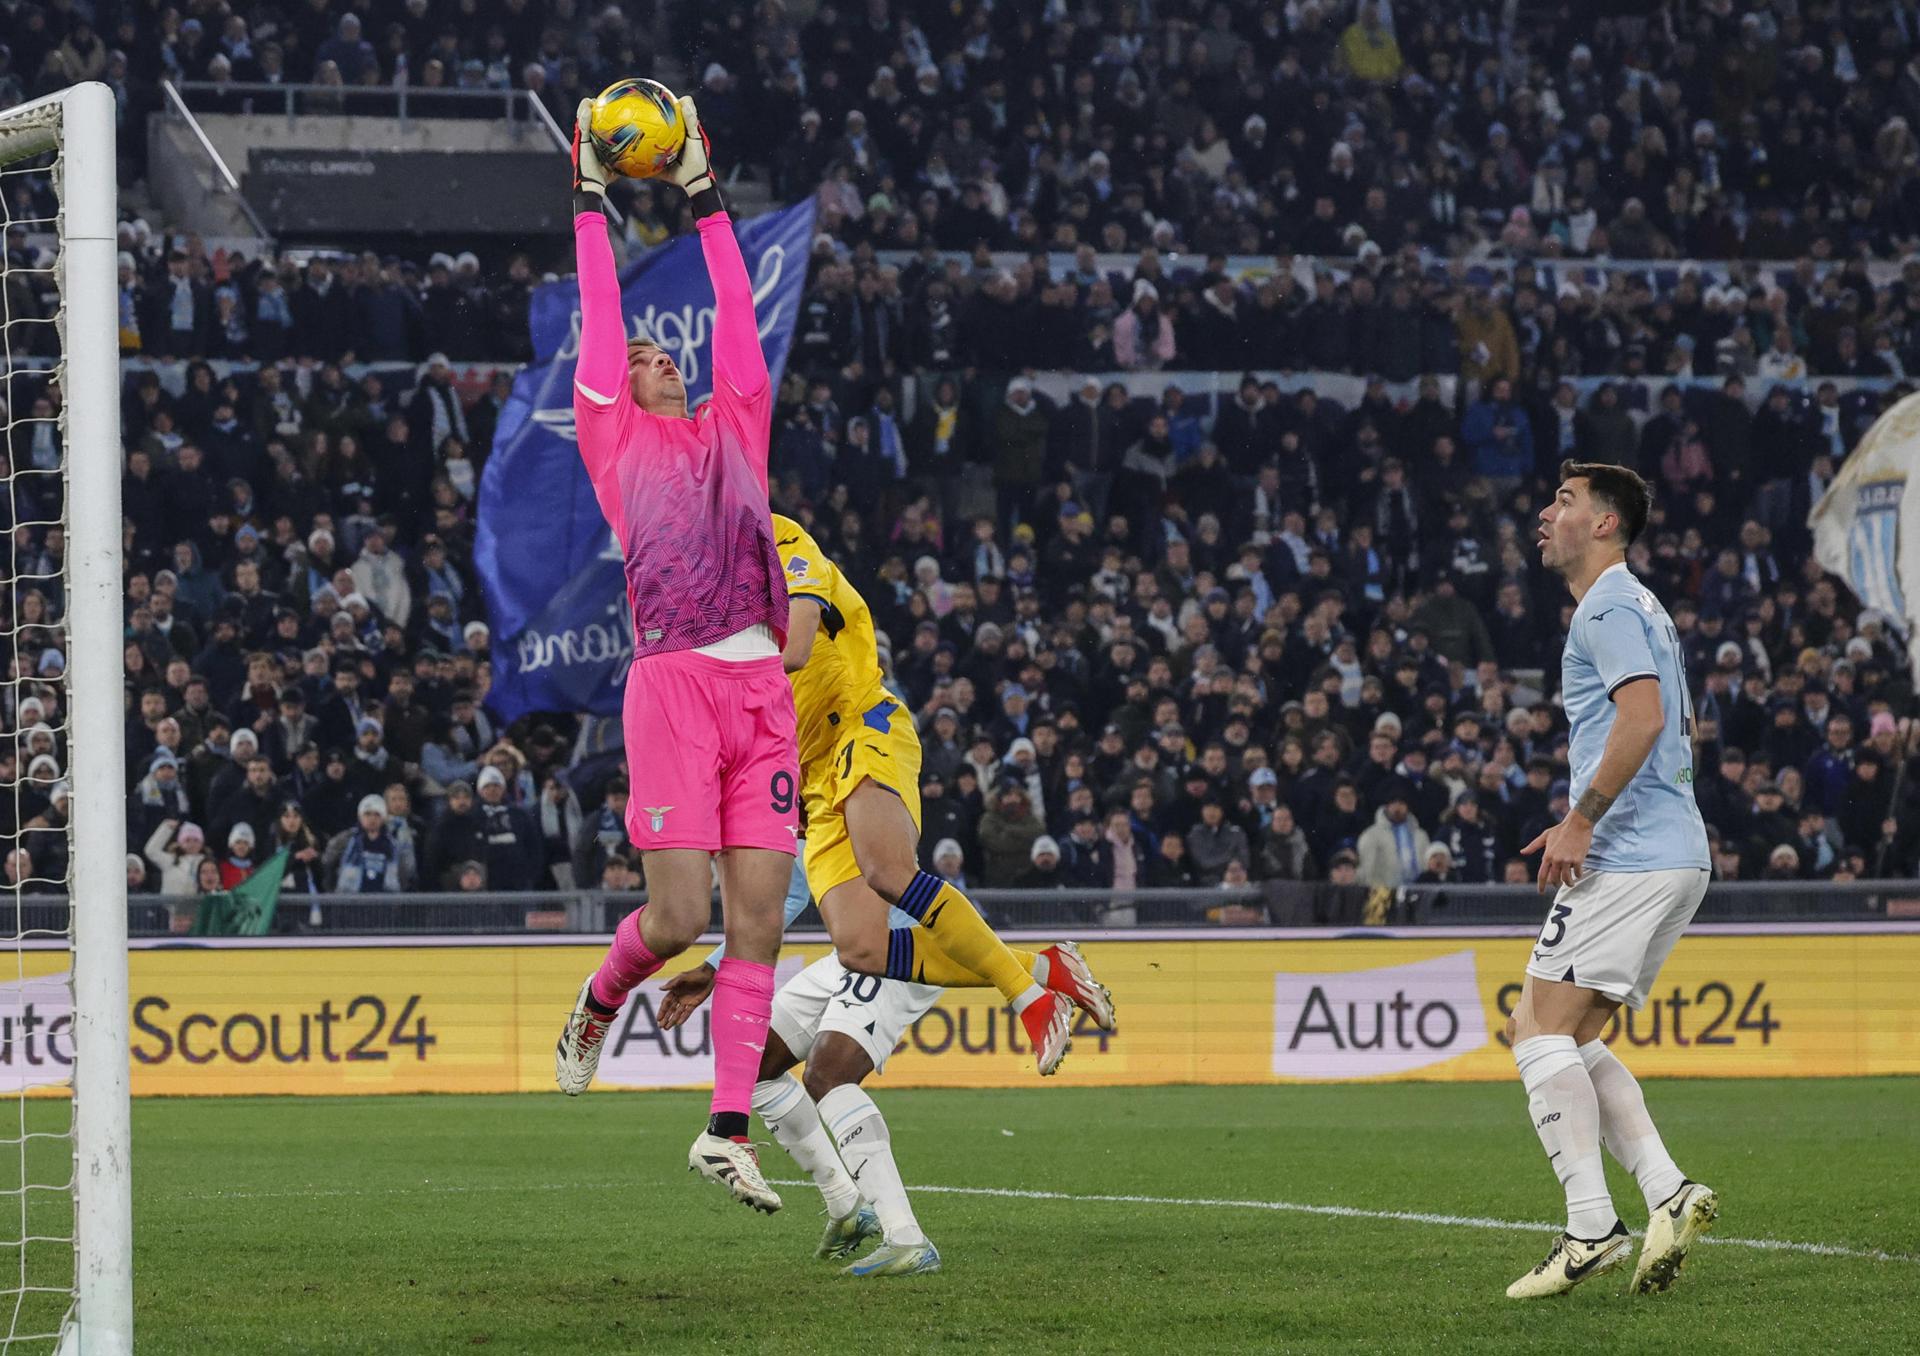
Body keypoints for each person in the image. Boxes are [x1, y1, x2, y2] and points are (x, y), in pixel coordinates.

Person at [552, 98, 803, 1214]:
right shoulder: (611, 430)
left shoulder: (736, 419)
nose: (652, 353)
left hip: (760, 687)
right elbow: (602, 308)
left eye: (664, 349)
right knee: (678, 922)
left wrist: (706, 198)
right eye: (641, 351)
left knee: (760, 919)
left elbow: (736, 303)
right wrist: (589, 202)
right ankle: (601, 1001)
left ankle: (727, 1129)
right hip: (673, 682)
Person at [766, 512, 1104, 1076]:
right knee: (863, 950)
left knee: (888, 873)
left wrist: (716, 685)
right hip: (813, 777)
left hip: (858, 723)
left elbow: (796, 648)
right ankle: (1045, 969)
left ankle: (1028, 997)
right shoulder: (712, 592)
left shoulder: (784, 540)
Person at [657, 861, 1112, 1277]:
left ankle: (906, 1239)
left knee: (828, 1076)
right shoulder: (789, 794)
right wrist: (714, 967)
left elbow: (887, 867)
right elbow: (791, 895)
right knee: (753, 1065)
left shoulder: (826, 782)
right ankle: (847, 1206)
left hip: (892, 946)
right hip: (852, 950)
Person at [1507, 462, 1716, 1300]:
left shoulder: (1609, 604)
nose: (1547, 511)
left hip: (1629, 852)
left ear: (1603, 524)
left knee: (1535, 1030)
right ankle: (1668, 1191)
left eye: (1564, 500)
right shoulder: (1636, 606)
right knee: (1573, 1033)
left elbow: (1645, 717)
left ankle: (1591, 1225)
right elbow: (1668, 723)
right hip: (1669, 850)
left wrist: (1583, 818)